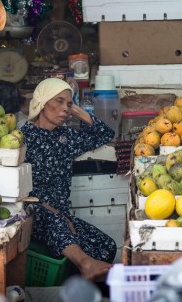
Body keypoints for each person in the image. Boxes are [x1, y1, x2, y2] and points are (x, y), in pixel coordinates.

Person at [21, 78, 116, 280]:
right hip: (35, 210)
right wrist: (58, 214)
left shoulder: (65, 137)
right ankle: (86, 265)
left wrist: (76, 109)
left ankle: (72, 287)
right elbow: (22, 191)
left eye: (69, 103)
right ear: (42, 102)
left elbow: (105, 133)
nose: (65, 108)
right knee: (55, 221)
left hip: (61, 213)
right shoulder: (23, 138)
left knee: (106, 246)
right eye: (59, 101)